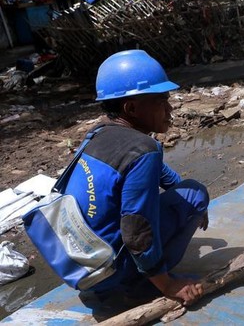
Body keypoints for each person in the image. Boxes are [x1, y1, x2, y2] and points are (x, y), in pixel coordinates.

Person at [62, 49, 208, 305]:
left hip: (79, 263)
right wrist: (169, 284)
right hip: (108, 271)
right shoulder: (143, 150)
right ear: (131, 107)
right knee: (195, 194)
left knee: (186, 193)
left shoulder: (100, 133)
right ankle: (142, 285)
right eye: (161, 100)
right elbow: (136, 229)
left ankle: (127, 277)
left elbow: (160, 172)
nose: (170, 108)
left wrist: (177, 189)